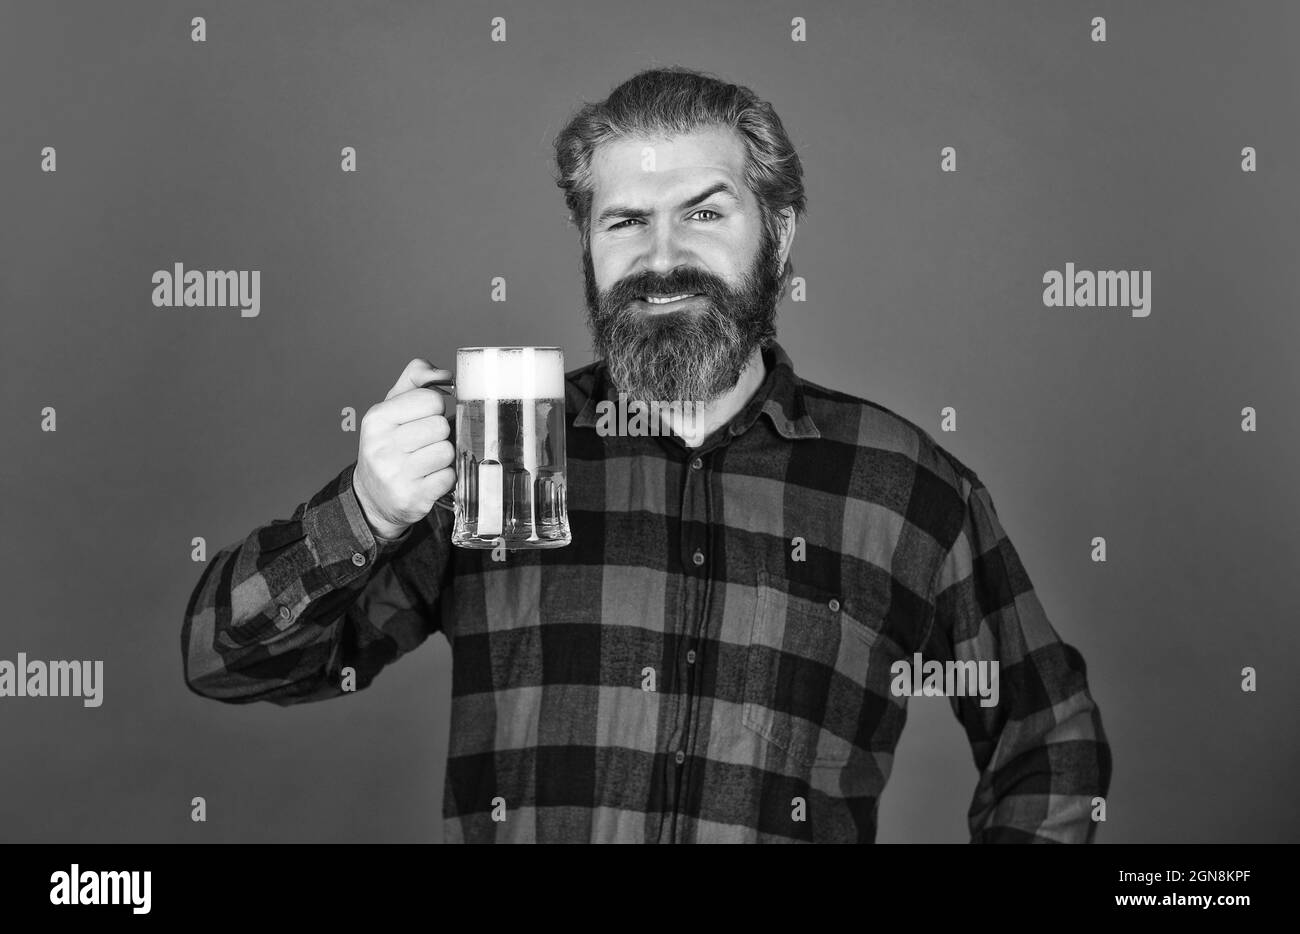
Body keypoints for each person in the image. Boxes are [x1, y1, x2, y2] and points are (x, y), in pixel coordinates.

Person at [181, 66, 1111, 843]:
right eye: (624, 220)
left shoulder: (903, 488)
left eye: (704, 213)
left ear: (779, 235)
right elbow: (224, 660)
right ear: (587, 245)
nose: (662, 257)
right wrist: (365, 511)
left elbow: (1048, 733)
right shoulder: (496, 453)